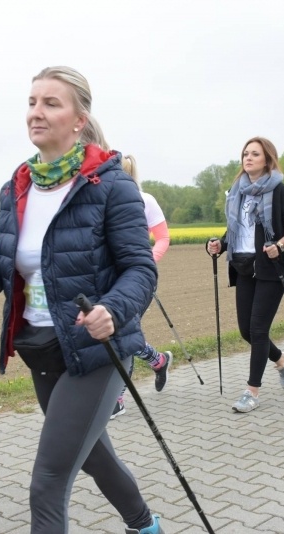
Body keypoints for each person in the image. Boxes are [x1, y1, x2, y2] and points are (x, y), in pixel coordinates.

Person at [0, 66, 164, 534]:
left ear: (78, 119)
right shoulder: (18, 187)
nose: (37, 112)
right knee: (92, 456)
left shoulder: (111, 186)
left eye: (51, 103)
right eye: (32, 102)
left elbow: (140, 268)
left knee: (47, 480)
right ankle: (146, 525)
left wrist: (113, 308)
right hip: (42, 348)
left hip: (96, 351)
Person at [206, 137, 284, 413]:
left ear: (267, 159)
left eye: (255, 154)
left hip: (270, 268)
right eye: (245, 154)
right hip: (244, 266)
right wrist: (219, 245)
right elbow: (235, 230)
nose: (248, 158)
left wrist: (281, 244)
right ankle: (281, 359)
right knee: (246, 331)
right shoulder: (238, 191)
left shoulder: (280, 190)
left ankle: (252, 392)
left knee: (259, 329)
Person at [111, 154, 173, 419]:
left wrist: (145, 262)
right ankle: (158, 361)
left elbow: (163, 238)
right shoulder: (104, 200)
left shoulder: (145, 200)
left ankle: (118, 398)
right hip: (111, 279)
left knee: (124, 332)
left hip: (137, 278)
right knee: (118, 333)